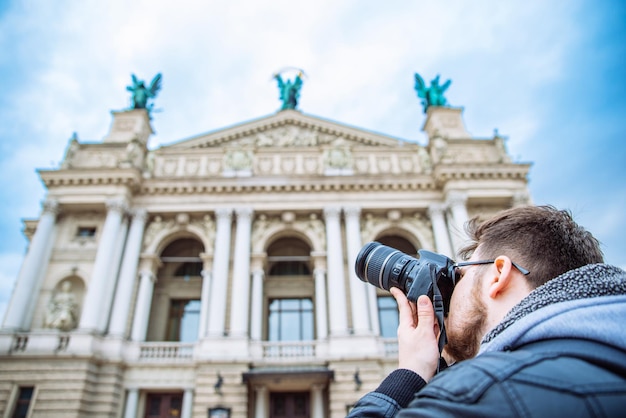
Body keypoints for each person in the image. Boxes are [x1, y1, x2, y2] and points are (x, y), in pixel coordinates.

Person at [348, 205, 626, 417]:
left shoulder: (477, 392)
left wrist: (410, 373)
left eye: (463, 273)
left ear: (498, 275)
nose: (454, 286)